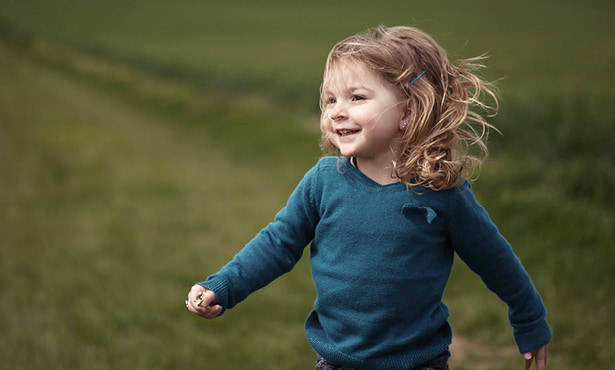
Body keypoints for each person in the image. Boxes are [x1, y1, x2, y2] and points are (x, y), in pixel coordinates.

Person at [187, 25, 551, 370]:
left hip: (420, 362)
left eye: (356, 97)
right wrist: (224, 286)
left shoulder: (442, 192)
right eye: (330, 100)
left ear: (407, 111)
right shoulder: (323, 182)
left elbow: (495, 259)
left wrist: (530, 319)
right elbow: (276, 244)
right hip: (336, 361)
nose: (337, 111)